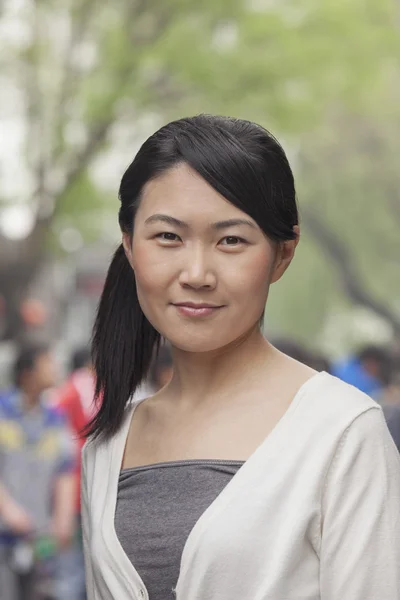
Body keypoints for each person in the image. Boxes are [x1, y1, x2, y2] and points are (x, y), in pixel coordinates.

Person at [81, 115, 400, 600]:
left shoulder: (342, 433)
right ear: (128, 244)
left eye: (231, 240)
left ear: (283, 254)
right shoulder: (105, 446)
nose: (197, 273)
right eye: (168, 236)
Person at [0, 344, 76, 599]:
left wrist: (62, 520)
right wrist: (8, 510)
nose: (54, 369)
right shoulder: (2, 410)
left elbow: (65, 470)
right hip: (4, 532)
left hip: (39, 537)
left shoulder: (55, 419)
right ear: (27, 372)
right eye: (47, 362)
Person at [56, 347, 96, 600]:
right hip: (89, 484)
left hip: (71, 486)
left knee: (70, 570)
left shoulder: (70, 389)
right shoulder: (87, 385)